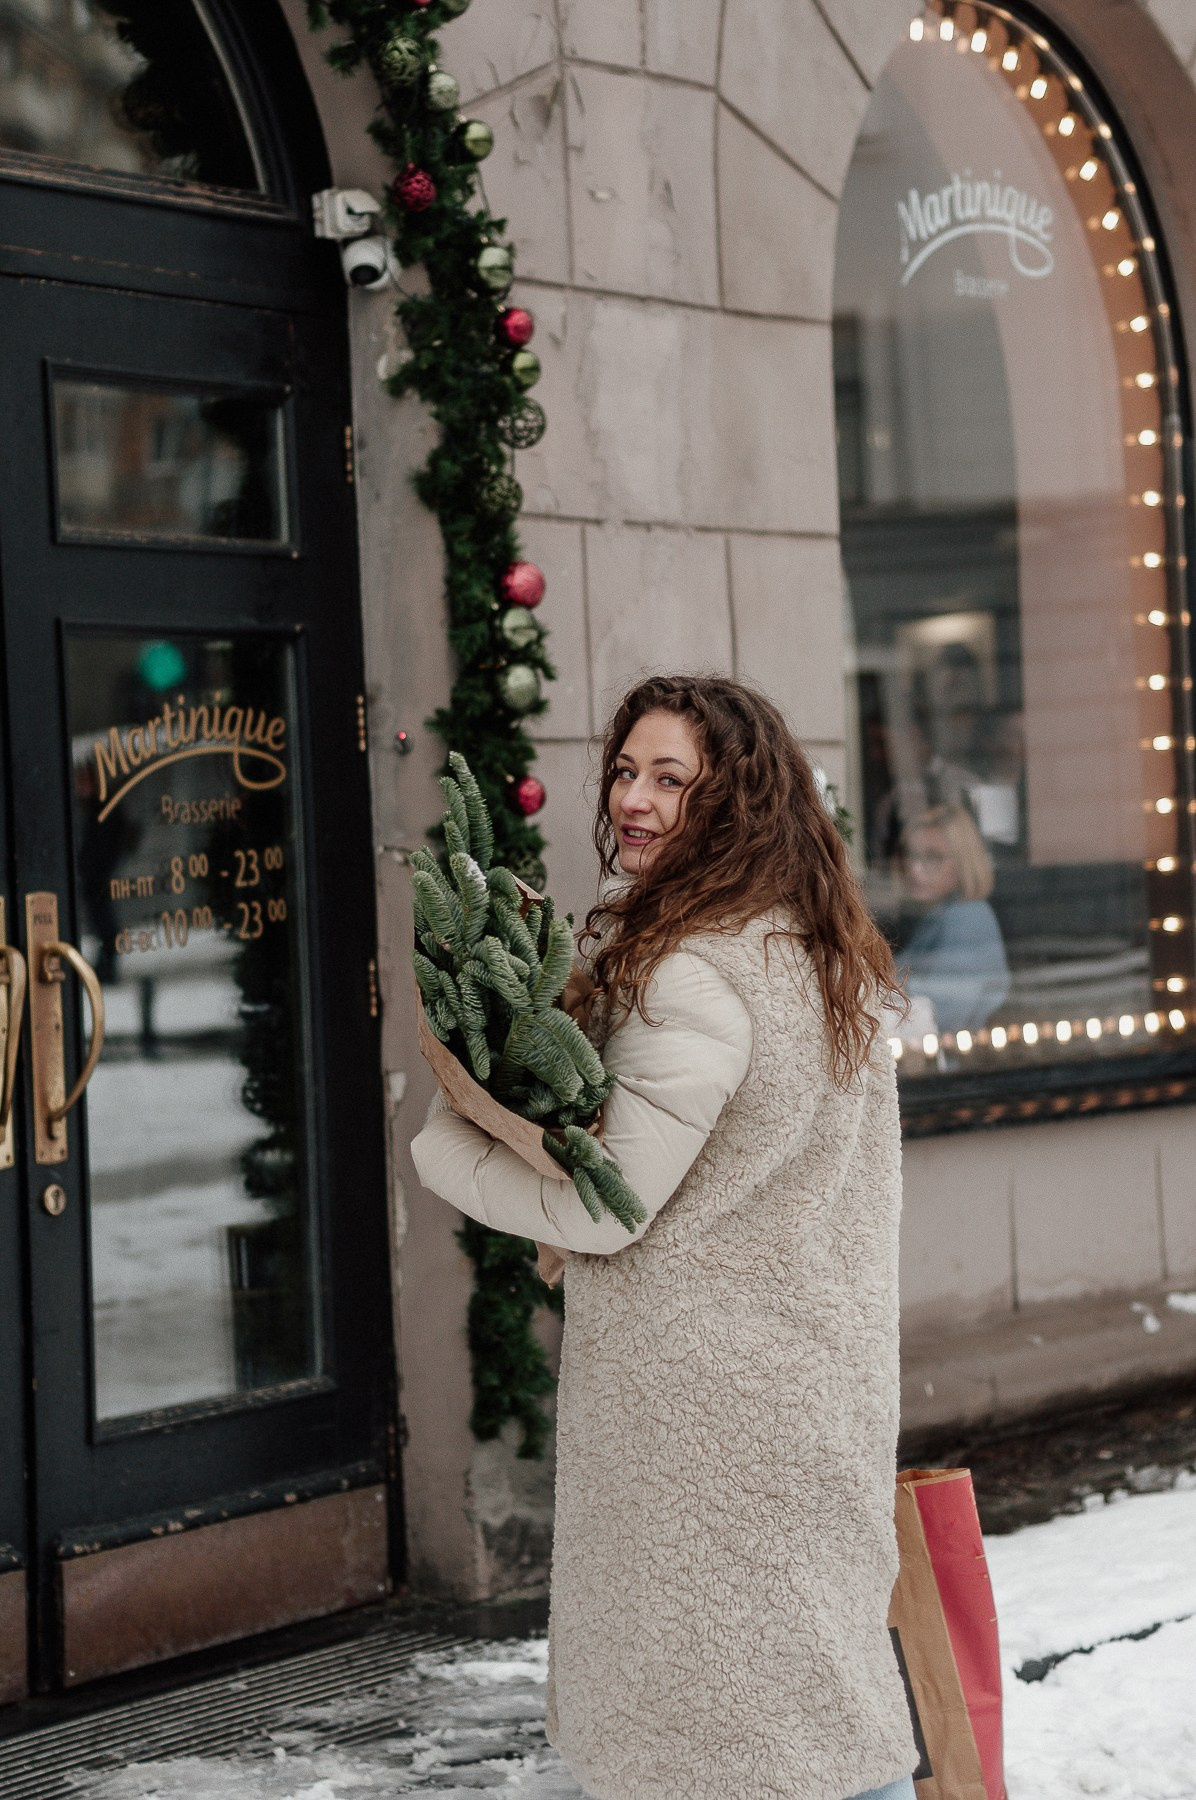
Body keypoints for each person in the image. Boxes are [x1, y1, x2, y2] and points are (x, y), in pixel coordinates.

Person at [412, 675, 919, 1800]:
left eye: (670, 779)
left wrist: (442, 1151)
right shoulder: (815, 950)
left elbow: (604, 1203)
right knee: (808, 1699)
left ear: (734, 802)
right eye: (626, 773)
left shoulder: (690, 971)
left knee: (702, 1726)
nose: (634, 801)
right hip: (805, 1372)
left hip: (700, 1409)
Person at [900, 803, 1010, 1038]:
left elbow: (940, 1014)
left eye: (933, 858)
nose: (915, 869)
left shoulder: (968, 918)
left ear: (963, 862)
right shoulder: (938, 914)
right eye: (911, 855)